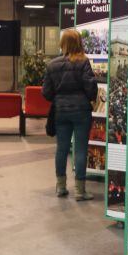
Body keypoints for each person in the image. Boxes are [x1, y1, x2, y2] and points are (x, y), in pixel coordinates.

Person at [42, 29, 98, 200]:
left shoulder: (52, 65)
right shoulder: (83, 62)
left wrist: (58, 98)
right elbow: (91, 87)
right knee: (80, 149)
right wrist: (90, 99)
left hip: (61, 112)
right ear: (78, 42)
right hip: (81, 111)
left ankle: (60, 187)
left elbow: (46, 92)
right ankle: (80, 191)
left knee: (62, 148)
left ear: (63, 43)